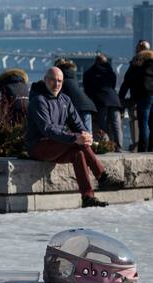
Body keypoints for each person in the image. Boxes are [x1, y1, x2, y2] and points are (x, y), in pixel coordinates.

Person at [26, 67, 125, 208]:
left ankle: (88, 197)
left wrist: (86, 135)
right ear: (45, 80)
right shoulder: (38, 101)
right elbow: (47, 129)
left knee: (78, 153)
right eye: (53, 80)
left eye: (60, 81)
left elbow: (78, 123)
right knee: (76, 141)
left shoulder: (65, 99)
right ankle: (102, 177)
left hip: (57, 144)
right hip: (39, 146)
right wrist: (74, 138)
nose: (57, 84)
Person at [119, 41, 153, 152]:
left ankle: (143, 149)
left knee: (143, 124)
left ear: (140, 50)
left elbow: (127, 81)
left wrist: (120, 97)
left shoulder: (137, 63)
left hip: (144, 96)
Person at [83, 53, 124, 150]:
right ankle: (119, 146)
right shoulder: (110, 72)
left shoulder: (89, 73)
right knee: (116, 125)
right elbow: (113, 85)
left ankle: (106, 146)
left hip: (100, 101)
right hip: (114, 101)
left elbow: (87, 90)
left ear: (95, 62)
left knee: (103, 126)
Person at [54, 58, 97, 133]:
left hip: (76, 106)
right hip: (87, 105)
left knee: (78, 134)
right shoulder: (72, 75)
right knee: (88, 135)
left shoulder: (60, 78)